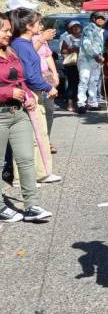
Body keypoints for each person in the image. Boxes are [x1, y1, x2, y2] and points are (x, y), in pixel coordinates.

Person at [0, 12, 52, 222]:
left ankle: (31, 206)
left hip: (19, 113)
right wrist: (7, 93)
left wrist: (27, 95)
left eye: (8, 29)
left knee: (26, 160)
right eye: (4, 30)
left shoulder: (10, 51)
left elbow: (20, 79)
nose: (8, 33)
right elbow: (8, 88)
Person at [9, 8, 61, 184]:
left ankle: (41, 173)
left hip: (34, 92)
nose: (42, 26)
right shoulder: (20, 45)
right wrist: (47, 87)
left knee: (39, 134)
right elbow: (28, 74)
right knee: (32, 137)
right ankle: (24, 178)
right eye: (39, 23)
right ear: (29, 26)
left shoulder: (25, 43)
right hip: (30, 94)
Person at [78, 11, 106, 112]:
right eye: (98, 18)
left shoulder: (100, 31)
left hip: (96, 60)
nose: (101, 20)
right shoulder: (89, 28)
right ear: (93, 19)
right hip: (86, 60)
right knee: (84, 81)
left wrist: (99, 56)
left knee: (93, 81)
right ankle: (81, 104)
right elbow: (86, 45)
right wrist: (96, 55)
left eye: (103, 18)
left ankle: (92, 103)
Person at [60, 21, 82, 112]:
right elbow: (63, 51)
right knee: (72, 84)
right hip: (72, 64)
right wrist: (70, 49)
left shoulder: (84, 37)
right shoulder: (67, 38)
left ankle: (79, 103)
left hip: (83, 63)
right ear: (70, 29)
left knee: (82, 84)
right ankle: (70, 104)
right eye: (74, 27)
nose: (76, 28)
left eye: (78, 26)